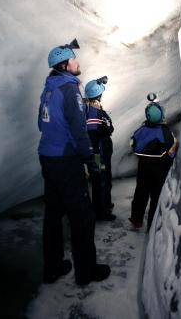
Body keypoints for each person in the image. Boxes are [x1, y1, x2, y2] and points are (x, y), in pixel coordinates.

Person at [37, 39, 110, 285]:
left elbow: (41, 124)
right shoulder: (69, 89)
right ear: (65, 65)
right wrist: (89, 159)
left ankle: (53, 267)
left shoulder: (49, 88)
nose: (78, 62)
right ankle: (86, 272)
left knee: (54, 214)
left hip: (47, 156)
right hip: (66, 160)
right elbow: (79, 129)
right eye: (74, 59)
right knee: (82, 217)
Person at [129, 93, 179, 231]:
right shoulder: (165, 132)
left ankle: (136, 219)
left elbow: (132, 144)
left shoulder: (141, 130)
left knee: (140, 193)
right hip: (160, 169)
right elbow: (172, 151)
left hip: (143, 167)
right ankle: (152, 224)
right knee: (156, 196)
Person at [85, 77, 116, 222]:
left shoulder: (93, 110)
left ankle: (105, 204)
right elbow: (98, 132)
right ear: (98, 95)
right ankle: (102, 211)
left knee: (103, 179)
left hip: (101, 153)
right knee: (101, 180)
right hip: (99, 155)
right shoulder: (93, 114)